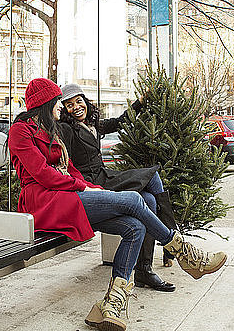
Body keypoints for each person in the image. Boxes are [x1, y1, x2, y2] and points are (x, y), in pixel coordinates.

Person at [7, 78, 227, 331]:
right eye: (59, 101)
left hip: (66, 197)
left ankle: (110, 306)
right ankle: (184, 254)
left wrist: (93, 189)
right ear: (46, 103)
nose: (62, 106)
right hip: (44, 202)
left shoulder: (50, 129)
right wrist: (83, 187)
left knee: (135, 227)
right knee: (135, 199)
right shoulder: (21, 130)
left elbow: (70, 170)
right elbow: (42, 173)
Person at [58, 83, 176, 292]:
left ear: (85, 101)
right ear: (64, 109)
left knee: (149, 200)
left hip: (105, 175)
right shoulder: (68, 129)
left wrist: (140, 103)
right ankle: (173, 238)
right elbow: (57, 147)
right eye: (69, 105)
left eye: (78, 101)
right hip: (92, 182)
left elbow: (121, 122)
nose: (76, 107)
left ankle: (144, 270)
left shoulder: (93, 123)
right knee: (153, 175)